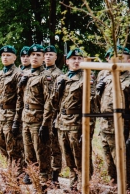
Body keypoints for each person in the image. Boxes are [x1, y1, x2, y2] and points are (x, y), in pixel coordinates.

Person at [50, 48, 95, 191]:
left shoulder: (87, 78)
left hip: (77, 124)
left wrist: (88, 130)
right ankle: (73, 186)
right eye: (73, 59)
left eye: (79, 58)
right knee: (69, 160)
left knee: (81, 159)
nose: (76, 61)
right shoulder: (61, 78)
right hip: (62, 124)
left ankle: (85, 187)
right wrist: (58, 89)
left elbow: (92, 106)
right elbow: (54, 104)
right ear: (67, 61)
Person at [96, 47, 130, 191]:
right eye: (115, 57)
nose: (117, 61)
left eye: (122, 57)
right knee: (111, 167)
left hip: (122, 130)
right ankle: (114, 189)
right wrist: (98, 91)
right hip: (105, 129)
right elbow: (98, 105)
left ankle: (128, 191)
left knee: (125, 168)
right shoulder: (106, 79)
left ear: (128, 61)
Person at [14, 44, 51, 192]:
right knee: (29, 155)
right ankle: (35, 181)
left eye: (38, 55)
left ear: (43, 58)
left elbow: (49, 102)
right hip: (26, 119)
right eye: (32, 55)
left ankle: (44, 186)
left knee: (41, 154)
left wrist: (45, 124)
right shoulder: (26, 75)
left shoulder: (45, 76)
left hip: (38, 120)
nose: (34, 57)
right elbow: (20, 99)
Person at [0, 45, 24, 180]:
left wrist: (17, 119)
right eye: (3, 55)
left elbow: (20, 97)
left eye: (8, 55)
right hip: (1, 114)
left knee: (13, 147)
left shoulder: (18, 74)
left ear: (14, 57)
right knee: (1, 143)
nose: (5, 57)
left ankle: (16, 176)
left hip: (12, 114)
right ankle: (12, 169)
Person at [44, 45, 63, 187]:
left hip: (54, 114)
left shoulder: (59, 74)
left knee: (54, 147)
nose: (48, 57)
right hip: (41, 114)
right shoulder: (41, 73)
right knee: (44, 146)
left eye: (51, 54)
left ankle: (55, 177)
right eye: (46, 54)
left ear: (56, 57)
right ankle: (45, 173)